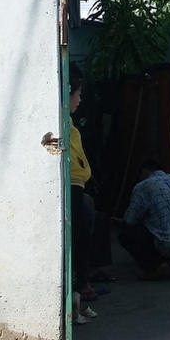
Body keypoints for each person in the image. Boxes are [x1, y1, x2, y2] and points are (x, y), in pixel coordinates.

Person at [68, 78, 98, 322]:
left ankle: (78, 295)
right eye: (77, 94)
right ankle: (76, 299)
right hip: (72, 187)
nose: (80, 99)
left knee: (82, 238)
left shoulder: (68, 123)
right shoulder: (61, 123)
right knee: (78, 241)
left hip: (78, 187)